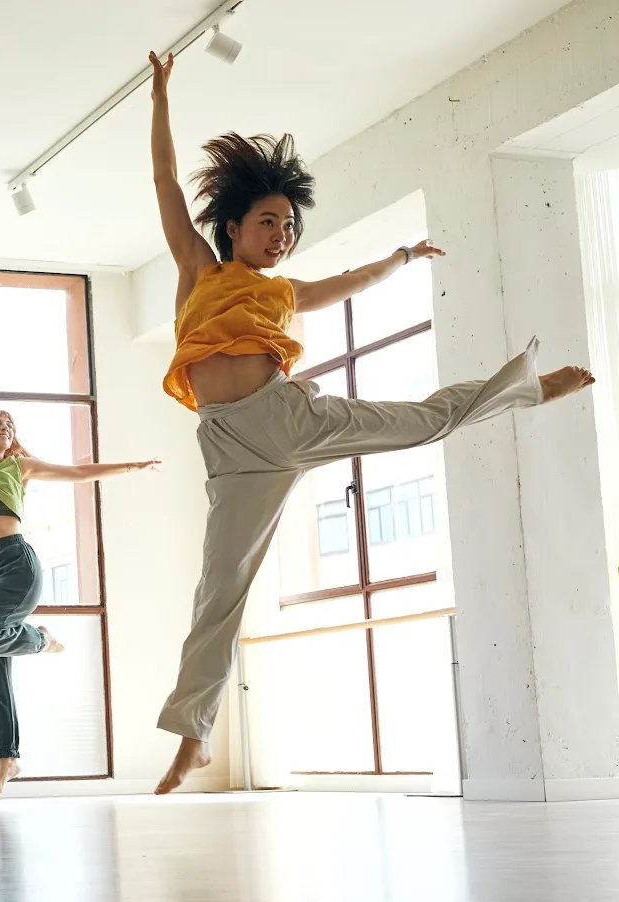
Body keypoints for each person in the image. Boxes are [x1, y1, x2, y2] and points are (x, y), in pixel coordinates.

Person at [145, 50, 595, 793]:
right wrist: (160, 95)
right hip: (228, 451)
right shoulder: (199, 269)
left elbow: (352, 281)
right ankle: (193, 736)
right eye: (268, 222)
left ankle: (526, 388)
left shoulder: (283, 291)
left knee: (419, 422)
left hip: (282, 418)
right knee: (217, 596)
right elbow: (165, 180)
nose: (281, 234)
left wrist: (402, 257)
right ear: (232, 227)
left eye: (289, 225)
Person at [0, 395, 158, 797]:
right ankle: (7, 758)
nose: (5, 428)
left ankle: (40, 639)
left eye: (10, 425)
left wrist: (132, 467)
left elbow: (79, 472)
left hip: (14, 563)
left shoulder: (21, 467)